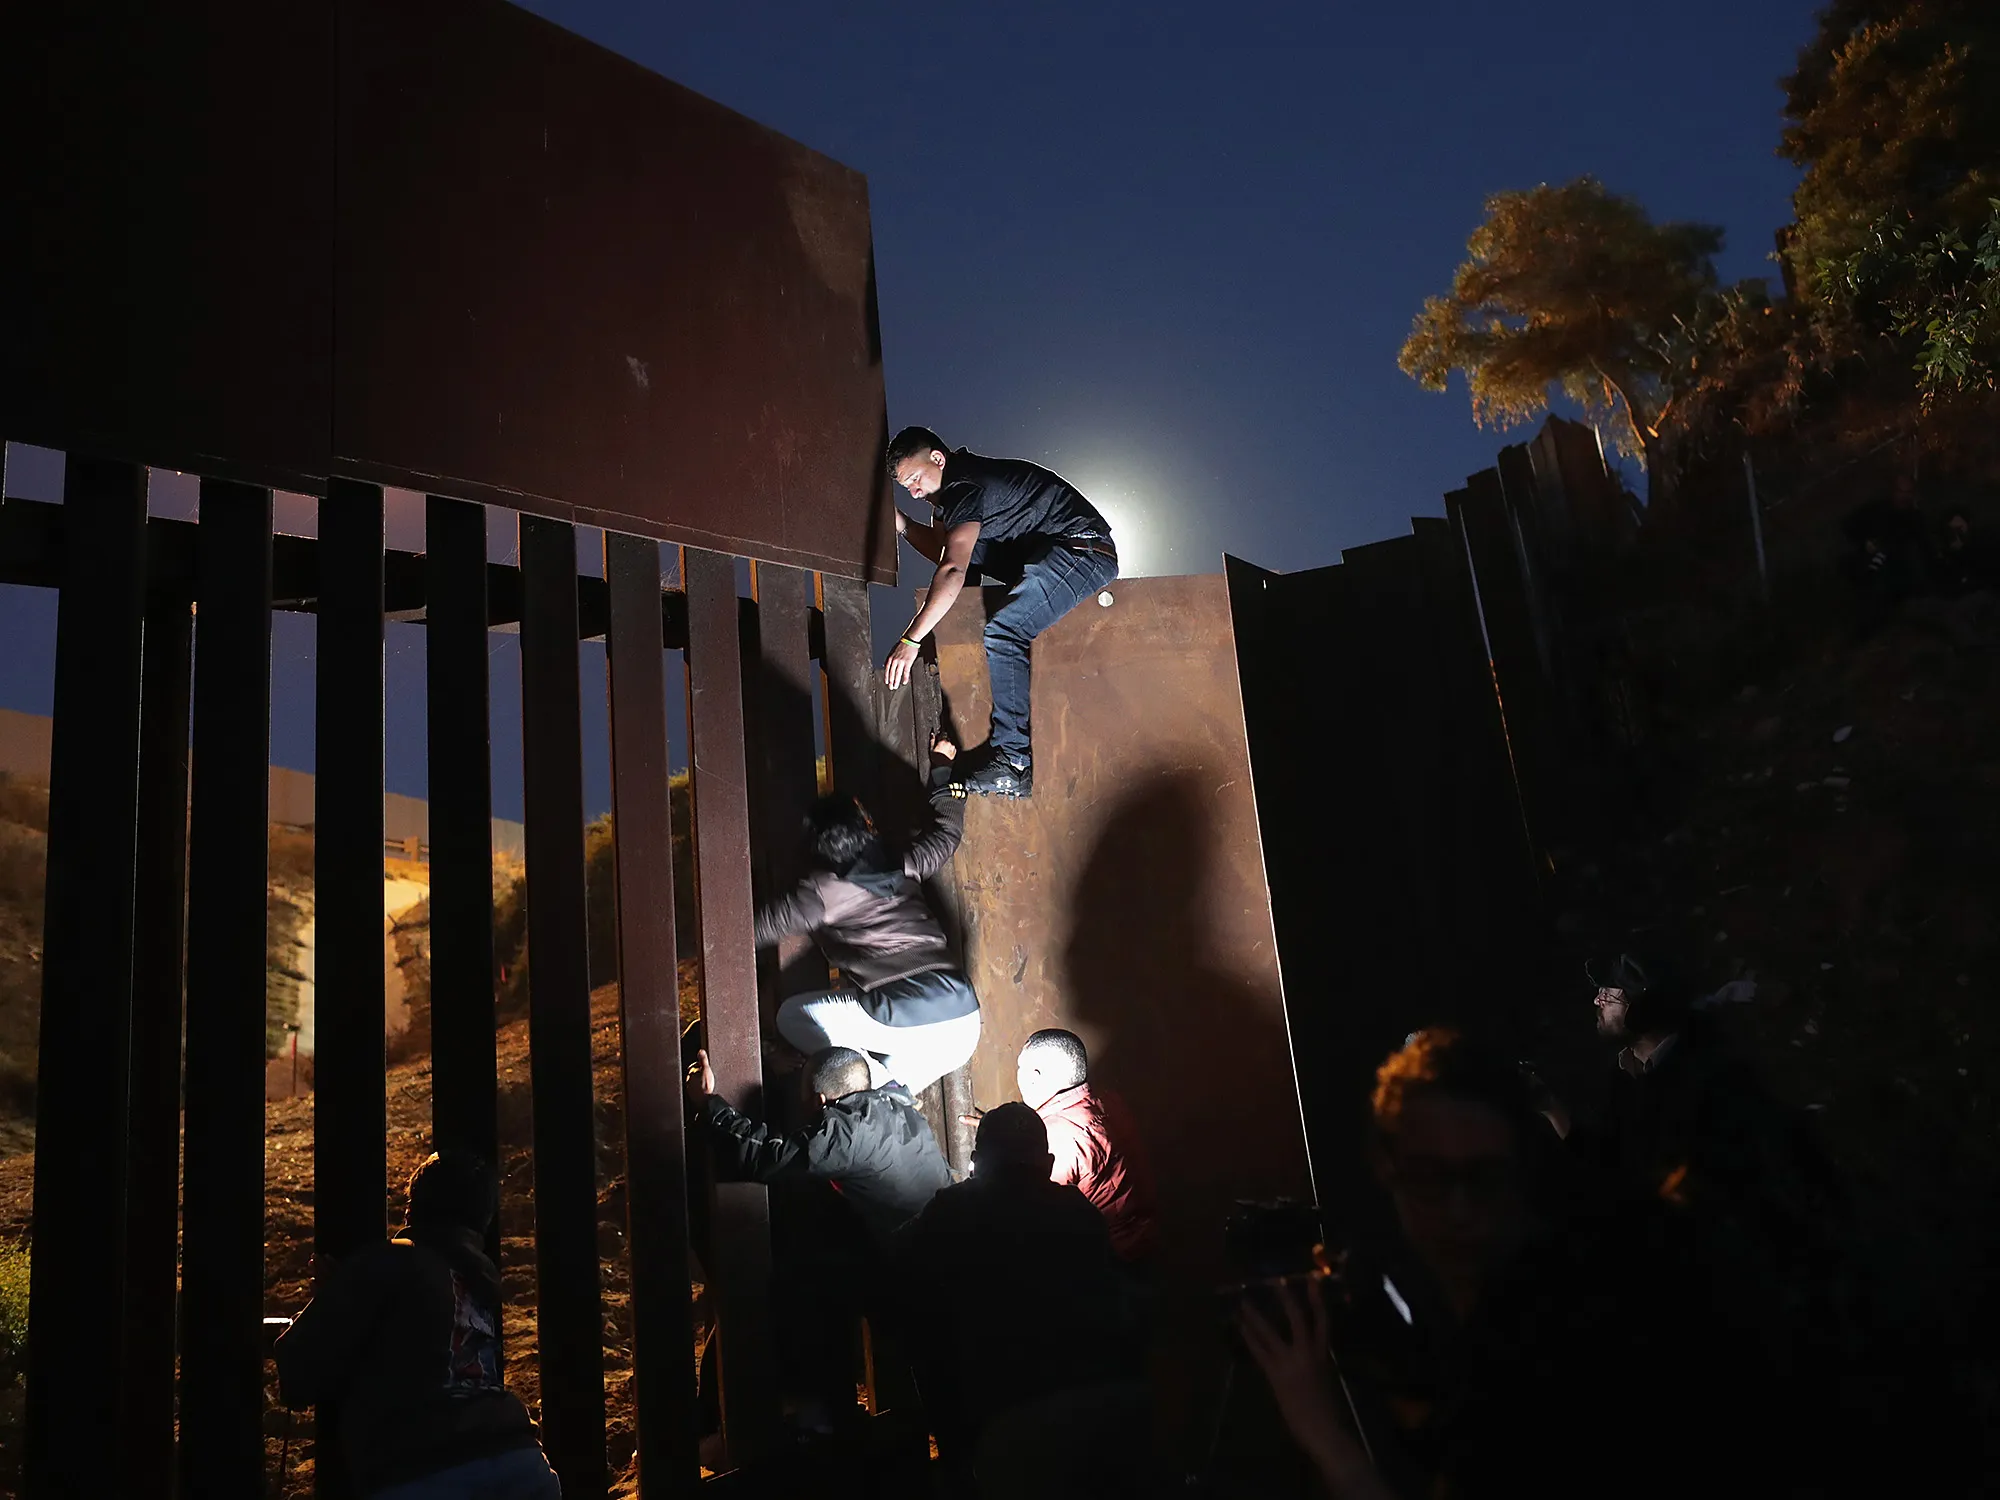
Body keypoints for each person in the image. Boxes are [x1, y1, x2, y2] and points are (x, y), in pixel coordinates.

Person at [1237, 1028, 1764, 1499]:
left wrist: (1325, 1438)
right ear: (1387, 1170)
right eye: (1430, 1179)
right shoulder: (1478, 1300)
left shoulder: (1570, 1321)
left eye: (1482, 1176)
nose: (1459, 1210)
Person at [274, 1152, 561, 1499]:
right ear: (484, 1220)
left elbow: (299, 1370)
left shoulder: (386, 1262)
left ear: (411, 1208)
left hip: (425, 1470)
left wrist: (336, 1295)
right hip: (521, 1461)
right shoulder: (480, 1281)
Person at [893, 1104, 1142, 1481]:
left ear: (975, 1161)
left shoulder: (950, 1210)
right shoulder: (1079, 1210)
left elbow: (900, 1268)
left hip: (986, 1407)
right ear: (1047, 1162)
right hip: (1073, 1397)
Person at [882, 426, 1118, 798]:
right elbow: (949, 553)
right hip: (1046, 555)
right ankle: (1011, 758)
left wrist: (912, 638)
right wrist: (903, 525)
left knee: (1004, 631)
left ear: (938, 459)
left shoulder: (965, 486)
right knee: (956, 547)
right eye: (906, 487)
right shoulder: (955, 496)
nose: (913, 492)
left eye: (915, 479)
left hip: (1082, 551)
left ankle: (1013, 763)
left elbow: (953, 570)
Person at [754, 734, 980, 1097]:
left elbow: (753, 931)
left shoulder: (819, 895)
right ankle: (888, 1086)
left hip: (907, 1015)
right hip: (964, 1023)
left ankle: (874, 1080)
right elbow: (948, 832)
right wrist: (942, 768)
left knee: (792, 1016)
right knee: (886, 1094)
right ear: (864, 828)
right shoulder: (903, 862)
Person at [688, 1043, 951, 1241]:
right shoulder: (897, 1105)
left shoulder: (846, 1136)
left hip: (918, 1250)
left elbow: (766, 1159)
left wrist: (708, 1103)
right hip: (947, 1221)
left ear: (820, 1101)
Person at [1012, 1028, 1159, 1262]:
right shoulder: (1107, 1099)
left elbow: (1035, 1215)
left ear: (1035, 1076)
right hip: (1147, 1235)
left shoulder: (1054, 1139)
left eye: (1021, 1067)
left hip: (1110, 1257)